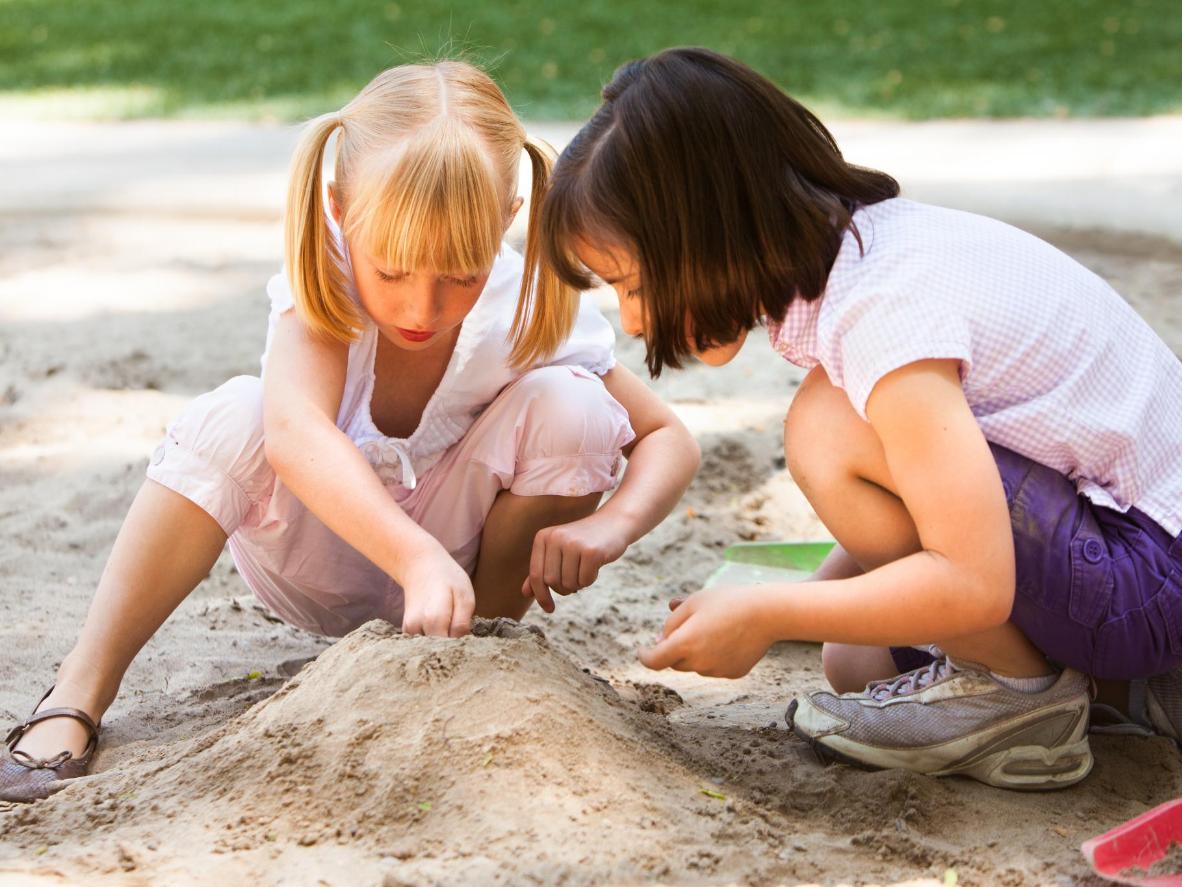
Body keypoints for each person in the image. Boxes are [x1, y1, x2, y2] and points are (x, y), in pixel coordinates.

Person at [1, 61, 699, 803]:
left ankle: (472, 663)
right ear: (339, 209)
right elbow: (294, 432)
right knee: (233, 416)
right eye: (392, 270)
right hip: (317, 553)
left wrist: (614, 526)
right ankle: (79, 688)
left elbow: (668, 437)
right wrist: (412, 555)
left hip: (459, 584)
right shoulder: (325, 276)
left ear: (505, 217)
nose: (423, 305)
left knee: (577, 409)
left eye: (459, 274)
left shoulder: (523, 304)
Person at [538, 46, 1182, 789]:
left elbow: (975, 586)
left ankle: (1019, 700)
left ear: (709, 233)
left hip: (1151, 566)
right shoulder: (872, 250)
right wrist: (813, 602)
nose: (633, 320)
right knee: (855, 657)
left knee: (825, 428)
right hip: (1124, 554)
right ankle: (1135, 692)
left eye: (634, 283)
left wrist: (767, 611)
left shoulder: (883, 315)